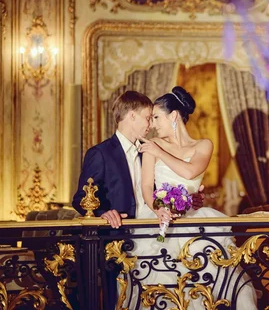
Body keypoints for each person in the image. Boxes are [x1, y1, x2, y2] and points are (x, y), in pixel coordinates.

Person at [125, 86, 257, 310]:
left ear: (174, 116)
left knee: (210, 281)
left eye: (156, 117)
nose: (152, 124)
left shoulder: (203, 145)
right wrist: (158, 208)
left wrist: (160, 153)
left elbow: (190, 172)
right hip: (160, 218)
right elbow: (146, 186)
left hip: (195, 218)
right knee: (162, 285)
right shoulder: (153, 146)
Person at [71, 90, 205, 309]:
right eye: (146, 117)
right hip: (116, 241)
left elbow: (161, 185)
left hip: (152, 234)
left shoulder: (148, 150)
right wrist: (103, 212)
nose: (150, 125)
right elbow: (80, 198)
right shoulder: (101, 153)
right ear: (131, 115)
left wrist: (190, 197)